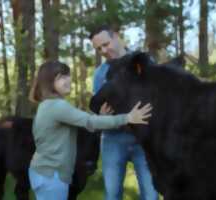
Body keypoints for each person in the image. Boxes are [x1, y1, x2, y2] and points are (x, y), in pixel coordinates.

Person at [28, 60, 152, 200]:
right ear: (49, 82)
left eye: (67, 75)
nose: (68, 80)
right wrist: (128, 117)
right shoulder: (57, 106)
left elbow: (84, 124)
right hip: (51, 176)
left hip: (44, 173)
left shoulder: (47, 105)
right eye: (61, 77)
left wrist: (101, 118)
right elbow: (89, 122)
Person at [90, 25, 159, 200]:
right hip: (113, 140)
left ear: (117, 37)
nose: (104, 51)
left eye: (105, 44)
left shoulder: (143, 62)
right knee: (112, 194)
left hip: (143, 140)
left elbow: (158, 97)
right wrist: (101, 117)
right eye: (98, 49)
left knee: (151, 194)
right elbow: (98, 110)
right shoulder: (100, 74)